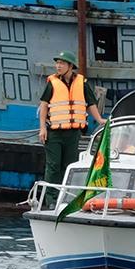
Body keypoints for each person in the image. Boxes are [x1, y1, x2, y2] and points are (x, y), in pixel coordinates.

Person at [38, 50, 107, 208]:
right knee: (53, 165)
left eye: (62, 63)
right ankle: (51, 200)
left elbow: (91, 103)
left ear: (70, 66)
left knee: (69, 166)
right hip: (54, 132)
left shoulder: (81, 83)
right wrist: (42, 128)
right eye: (57, 63)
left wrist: (99, 120)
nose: (58, 66)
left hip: (72, 133)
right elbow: (43, 105)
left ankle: (66, 197)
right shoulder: (52, 83)